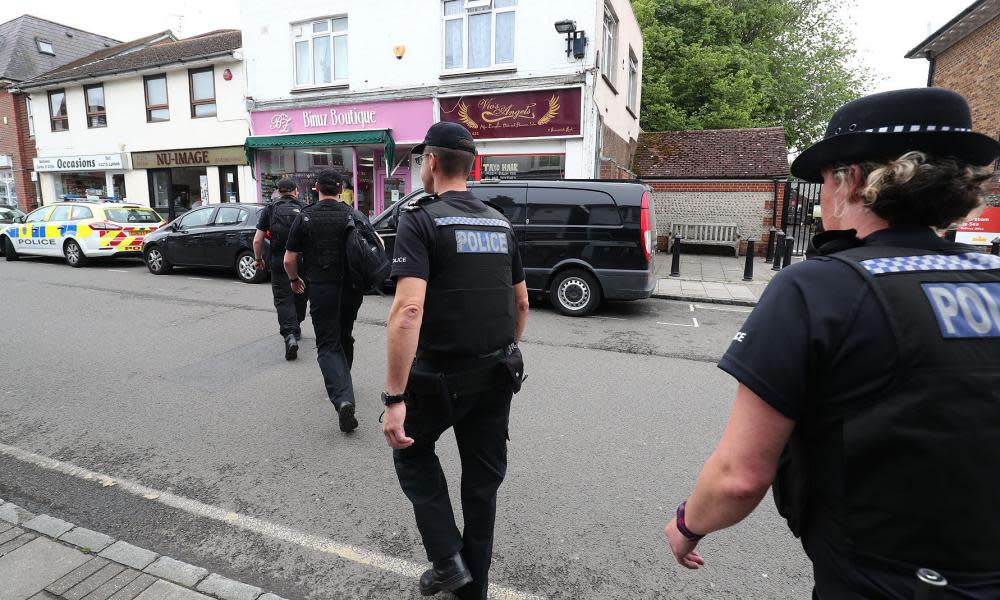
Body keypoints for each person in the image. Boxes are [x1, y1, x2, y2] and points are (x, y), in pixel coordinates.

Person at [663, 87, 1000, 598]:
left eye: (823, 180)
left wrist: (688, 525)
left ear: (852, 180)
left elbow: (739, 476)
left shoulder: (818, 289)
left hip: (878, 579)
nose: (822, 196)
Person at [382, 122, 531, 600]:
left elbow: (408, 311)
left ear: (429, 162)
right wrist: (503, 348)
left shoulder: (421, 220)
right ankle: (473, 593)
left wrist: (395, 397)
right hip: (496, 374)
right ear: (471, 166)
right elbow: (522, 304)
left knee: (410, 449)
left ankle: (447, 560)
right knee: (482, 492)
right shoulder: (500, 223)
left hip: (440, 378)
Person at [283, 170, 362, 433]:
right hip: (351, 289)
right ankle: (344, 381)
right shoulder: (354, 214)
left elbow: (288, 259)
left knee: (327, 344)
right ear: (341, 189)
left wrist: (294, 279)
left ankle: (342, 398)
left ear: (316, 188)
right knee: (345, 335)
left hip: (322, 289)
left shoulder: (305, 215)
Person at [254, 178, 308, 360]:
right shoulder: (304, 207)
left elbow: (257, 240)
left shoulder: (270, 209)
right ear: (295, 191)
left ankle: (290, 334)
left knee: (283, 299)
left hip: (278, 261)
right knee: (300, 294)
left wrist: (258, 259)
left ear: (278, 191)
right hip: (301, 260)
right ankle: (296, 326)